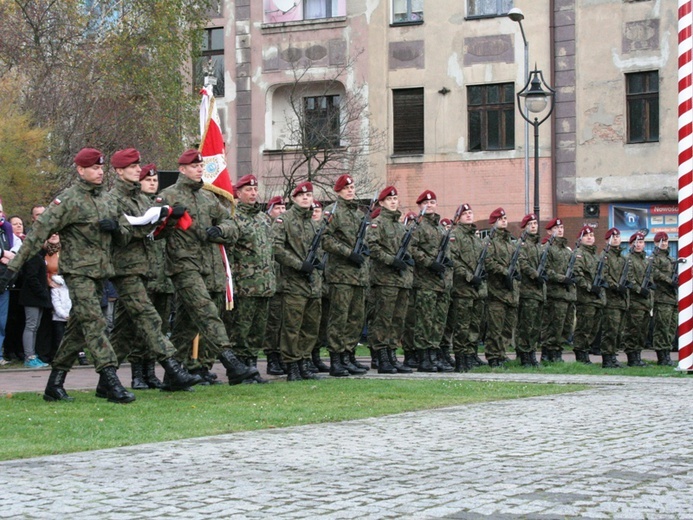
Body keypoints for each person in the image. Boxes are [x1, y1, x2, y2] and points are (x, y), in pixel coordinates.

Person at [0, 148, 135, 403]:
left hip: (100, 273)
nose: (99, 172)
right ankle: (110, 380)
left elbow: (127, 232)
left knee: (77, 331)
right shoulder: (68, 200)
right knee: (95, 323)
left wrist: (117, 228)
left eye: (101, 168)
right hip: (78, 273)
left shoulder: (107, 199)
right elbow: (38, 234)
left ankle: (55, 384)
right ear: (80, 170)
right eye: (94, 168)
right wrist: (12, 268)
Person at [106, 149, 202, 393]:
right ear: (119, 171)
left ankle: (106, 380)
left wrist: (168, 220)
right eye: (133, 167)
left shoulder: (142, 200)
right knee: (149, 320)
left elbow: (156, 236)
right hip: (125, 268)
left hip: (148, 269)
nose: (139, 171)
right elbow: (127, 234)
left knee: (125, 330)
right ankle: (172, 369)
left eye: (140, 166)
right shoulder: (113, 199)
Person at [158, 149, 257, 384]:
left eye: (201, 166)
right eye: (194, 166)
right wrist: (171, 218)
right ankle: (230, 361)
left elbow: (230, 222)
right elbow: (155, 231)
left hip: (206, 265)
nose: (199, 170)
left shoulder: (207, 197)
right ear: (182, 170)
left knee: (186, 322)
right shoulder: (168, 195)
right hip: (183, 264)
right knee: (206, 311)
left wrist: (220, 230)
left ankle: (173, 377)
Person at [222, 175, 276, 384]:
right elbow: (230, 253)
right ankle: (239, 371)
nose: (253, 193)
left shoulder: (263, 218)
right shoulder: (234, 218)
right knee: (240, 331)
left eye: (255, 190)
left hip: (264, 285)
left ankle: (252, 368)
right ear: (238, 193)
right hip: (244, 285)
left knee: (258, 330)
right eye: (248, 190)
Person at [273, 181, 324, 381]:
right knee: (292, 327)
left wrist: (316, 264)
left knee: (310, 327)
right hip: (293, 282)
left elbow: (319, 249)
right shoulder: (284, 220)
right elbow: (276, 248)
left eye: (309, 195)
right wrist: (298, 264)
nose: (306, 198)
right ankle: (292, 365)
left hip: (313, 283)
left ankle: (304, 362)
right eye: (302, 195)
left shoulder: (313, 223)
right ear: (294, 198)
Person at [322, 174, 370, 376]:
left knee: (355, 318)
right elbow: (324, 239)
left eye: (352, 187)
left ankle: (348, 354)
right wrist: (348, 253)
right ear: (339, 191)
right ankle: (336, 357)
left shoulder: (359, 215)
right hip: (340, 274)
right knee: (339, 317)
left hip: (358, 275)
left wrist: (363, 251)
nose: (351, 190)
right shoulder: (332, 212)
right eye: (346, 188)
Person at [366, 186, 414, 374]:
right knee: (383, 320)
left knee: (397, 320)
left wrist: (406, 260)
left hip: (401, 280)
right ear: (382, 202)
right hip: (385, 279)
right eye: (389, 199)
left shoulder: (400, 225)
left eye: (395, 199)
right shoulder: (378, 223)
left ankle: (393, 355)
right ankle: (382, 356)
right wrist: (392, 261)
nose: (393, 202)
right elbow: (373, 248)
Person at [137, 163, 175, 386]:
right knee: (141, 327)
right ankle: (137, 373)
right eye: (147, 180)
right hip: (144, 274)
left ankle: (150, 372)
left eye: (154, 180)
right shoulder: (137, 204)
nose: (152, 183)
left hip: (163, 274)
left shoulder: (163, 205)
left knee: (159, 326)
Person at [409, 190, 453, 372]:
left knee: (438, 321)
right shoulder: (417, 227)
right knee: (424, 321)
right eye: (426, 203)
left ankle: (434, 354)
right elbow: (412, 248)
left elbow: (447, 253)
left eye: (433, 202)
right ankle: (424, 357)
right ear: (420, 206)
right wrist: (429, 263)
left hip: (441, 283)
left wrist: (446, 265)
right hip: (425, 281)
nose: (430, 205)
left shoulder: (441, 228)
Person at [448, 203, 488, 372]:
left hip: (477, 289)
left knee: (474, 325)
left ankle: (471, 355)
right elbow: (453, 260)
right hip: (463, 288)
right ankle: (460, 357)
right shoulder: (454, 235)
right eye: (465, 214)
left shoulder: (475, 238)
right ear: (458, 217)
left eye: (471, 213)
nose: (469, 216)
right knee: (462, 326)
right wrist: (469, 277)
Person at [484, 208, 520, 368]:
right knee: (496, 327)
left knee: (507, 327)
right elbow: (489, 262)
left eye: (505, 218)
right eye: (500, 219)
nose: (504, 221)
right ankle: (493, 356)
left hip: (510, 291)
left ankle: (502, 353)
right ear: (493, 222)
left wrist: (515, 273)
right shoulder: (490, 241)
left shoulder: (509, 242)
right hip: (497, 290)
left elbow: (516, 261)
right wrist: (505, 272)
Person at [540, 218, 577, 363]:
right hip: (554, 293)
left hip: (568, 294)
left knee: (566, 327)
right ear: (549, 231)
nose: (560, 230)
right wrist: (562, 279)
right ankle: (549, 352)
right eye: (556, 228)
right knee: (554, 326)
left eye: (561, 227)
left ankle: (558, 350)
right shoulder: (547, 248)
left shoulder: (567, 251)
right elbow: (546, 270)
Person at [571, 226, 608, 366]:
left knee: (593, 328)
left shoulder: (595, 255)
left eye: (591, 235)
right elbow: (577, 274)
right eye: (586, 235)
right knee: (584, 328)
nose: (590, 237)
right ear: (580, 238)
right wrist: (590, 287)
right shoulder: (579, 253)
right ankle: (581, 354)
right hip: (586, 298)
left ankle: (586, 351)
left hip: (597, 298)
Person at [19, 235, 53, 367]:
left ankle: (33, 354)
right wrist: (42, 292)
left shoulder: (40, 256)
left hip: (38, 298)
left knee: (35, 326)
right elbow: (32, 278)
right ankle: (29, 356)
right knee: (31, 326)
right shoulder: (33, 257)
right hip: (32, 298)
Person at [263, 195, 287, 376]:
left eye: (284, 208)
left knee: (284, 322)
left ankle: (281, 356)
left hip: (286, 281)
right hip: (271, 282)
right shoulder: (265, 226)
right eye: (278, 208)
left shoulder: (285, 228)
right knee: (273, 323)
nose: (281, 211)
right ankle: (271, 357)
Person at [516, 213, 544, 367]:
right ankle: (524, 355)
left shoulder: (538, 245)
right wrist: (536, 275)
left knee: (535, 326)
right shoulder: (522, 244)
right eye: (531, 224)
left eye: (535, 223)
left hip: (539, 292)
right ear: (525, 227)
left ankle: (532, 352)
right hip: (527, 290)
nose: (534, 226)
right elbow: (522, 263)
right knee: (526, 325)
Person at [600, 228, 629, 368]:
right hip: (611, 299)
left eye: (618, 236)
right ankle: (607, 358)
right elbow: (604, 275)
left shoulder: (623, 258)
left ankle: (613, 356)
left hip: (622, 300)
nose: (616, 238)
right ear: (607, 240)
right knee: (610, 330)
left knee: (618, 331)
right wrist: (616, 286)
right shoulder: (605, 256)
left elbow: (627, 275)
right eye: (613, 236)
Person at [621, 232, 651, 366]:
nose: (638, 245)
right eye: (636, 242)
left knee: (642, 331)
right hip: (634, 300)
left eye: (641, 242)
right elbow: (629, 278)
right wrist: (639, 290)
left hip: (645, 301)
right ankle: (632, 358)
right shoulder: (628, 259)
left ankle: (638, 356)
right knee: (633, 330)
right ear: (630, 244)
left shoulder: (645, 260)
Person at [650, 232, 677, 366]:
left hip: (672, 298)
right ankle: (662, 356)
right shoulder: (653, 258)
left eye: (666, 241)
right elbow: (654, 272)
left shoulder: (671, 260)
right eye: (661, 241)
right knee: (662, 328)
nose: (664, 243)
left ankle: (667, 354)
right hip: (661, 298)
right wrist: (670, 281)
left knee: (671, 328)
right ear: (655, 243)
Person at [0, 202, 16, 365]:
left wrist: (11, 254)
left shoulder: (6, 229)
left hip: (3, 281)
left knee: (1, 321)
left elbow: (16, 248)